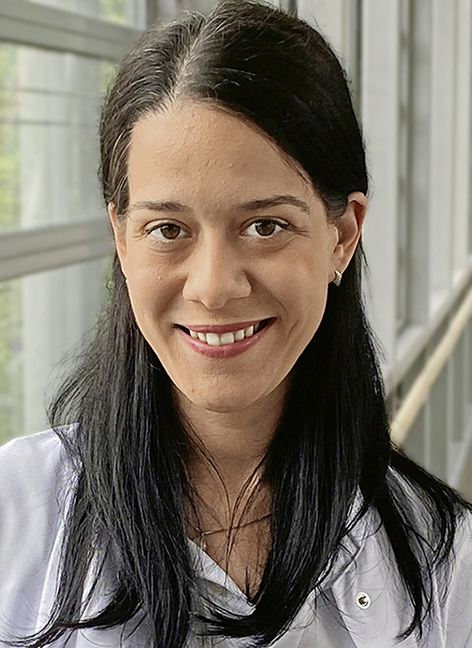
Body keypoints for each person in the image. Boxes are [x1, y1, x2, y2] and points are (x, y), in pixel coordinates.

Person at [1, 1, 471, 646]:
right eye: (168, 229)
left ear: (341, 236)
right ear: (122, 238)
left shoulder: (446, 563)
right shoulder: (14, 512)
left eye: (265, 226)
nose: (214, 287)